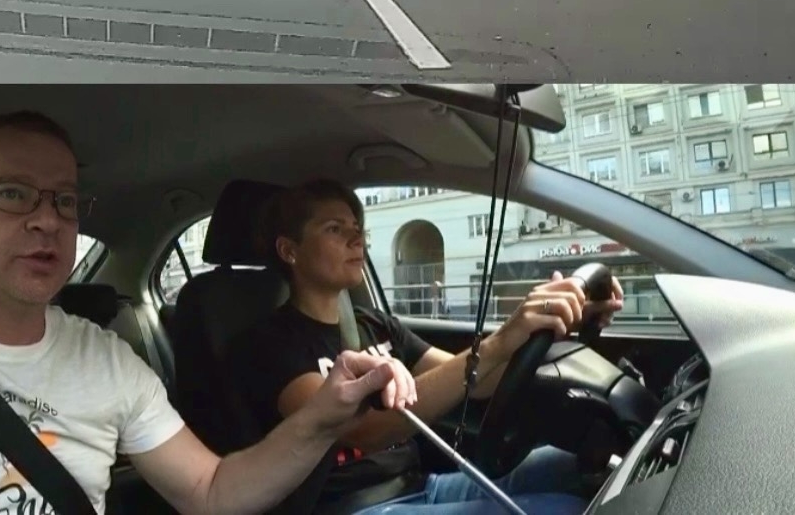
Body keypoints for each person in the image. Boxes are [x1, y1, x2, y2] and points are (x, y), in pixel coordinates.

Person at [0, 114, 417, 515]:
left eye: (62, 200)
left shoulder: (108, 359)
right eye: (12, 193)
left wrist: (323, 416)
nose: (46, 220)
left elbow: (211, 491)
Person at [230, 181, 625, 515]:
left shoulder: (375, 325)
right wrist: (502, 339)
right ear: (289, 250)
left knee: (587, 467)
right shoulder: (269, 344)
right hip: (353, 506)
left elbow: (476, 383)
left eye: (357, 227)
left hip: (420, 486)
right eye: (335, 229)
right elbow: (366, 430)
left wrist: (561, 325)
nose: (356, 238)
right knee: (564, 509)